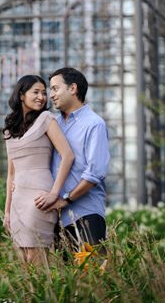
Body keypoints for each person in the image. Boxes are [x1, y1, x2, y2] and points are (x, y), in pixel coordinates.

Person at [35, 67, 110, 249]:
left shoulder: (94, 124)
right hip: (56, 219)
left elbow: (94, 174)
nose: (50, 95)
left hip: (86, 215)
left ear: (73, 88)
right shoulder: (53, 123)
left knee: (91, 275)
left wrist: (66, 200)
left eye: (54, 88)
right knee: (66, 277)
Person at [3, 74, 74, 264]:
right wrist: (7, 211)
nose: (42, 97)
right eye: (36, 92)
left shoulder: (46, 118)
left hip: (39, 197)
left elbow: (68, 155)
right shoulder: (9, 129)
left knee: (37, 258)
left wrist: (54, 193)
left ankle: (47, 293)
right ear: (21, 95)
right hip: (18, 200)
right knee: (22, 260)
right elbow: (11, 173)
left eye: (44, 92)